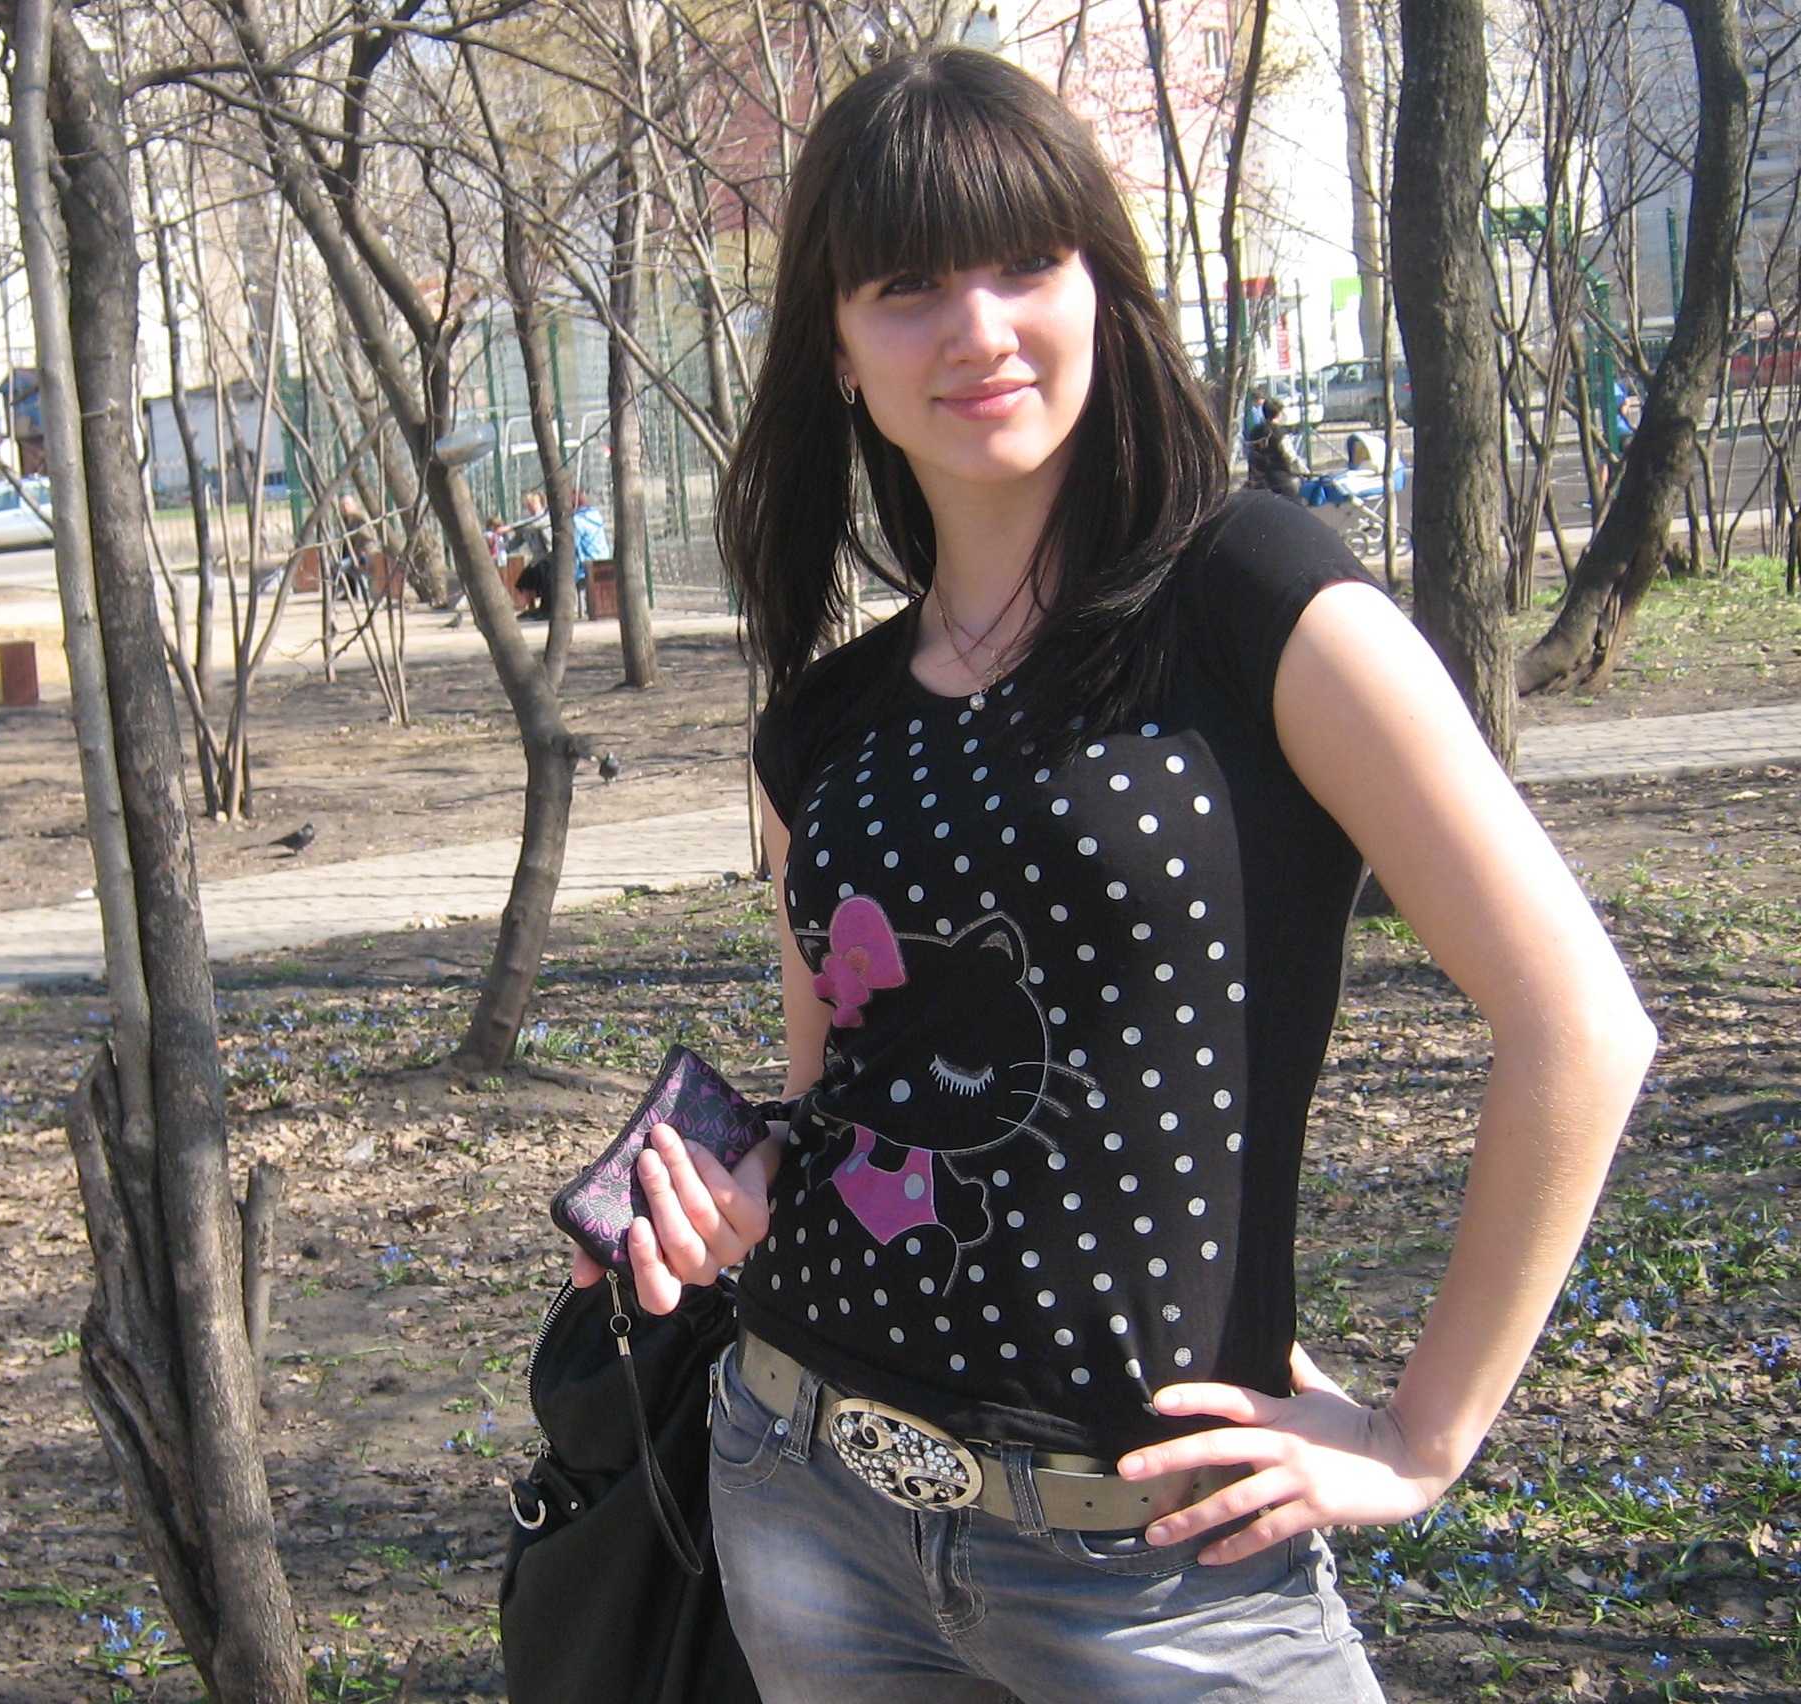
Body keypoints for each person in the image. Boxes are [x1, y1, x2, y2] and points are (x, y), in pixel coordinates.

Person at [574, 48, 1655, 1704]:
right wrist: (724, 1193)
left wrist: (1422, 1434)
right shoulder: (823, 725)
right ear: (839, 348)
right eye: (908, 286)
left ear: (1102, 287)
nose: (978, 329)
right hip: (807, 1498)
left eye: (1027, 262)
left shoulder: (1257, 602)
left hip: (1158, 1572)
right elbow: (843, 1103)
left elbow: (1579, 1025)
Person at [1243, 394, 1306, 499]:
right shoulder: (1280, 432)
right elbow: (1289, 456)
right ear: (1279, 413)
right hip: (1279, 480)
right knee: (1295, 503)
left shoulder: (1255, 431)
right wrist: (1303, 471)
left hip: (1258, 480)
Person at [569, 491, 609, 617]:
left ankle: (582, 609)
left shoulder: (578, 520)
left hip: (588, 560)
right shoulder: (595, 514)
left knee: (572, 571)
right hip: (603, 555)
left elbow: (574, 543)